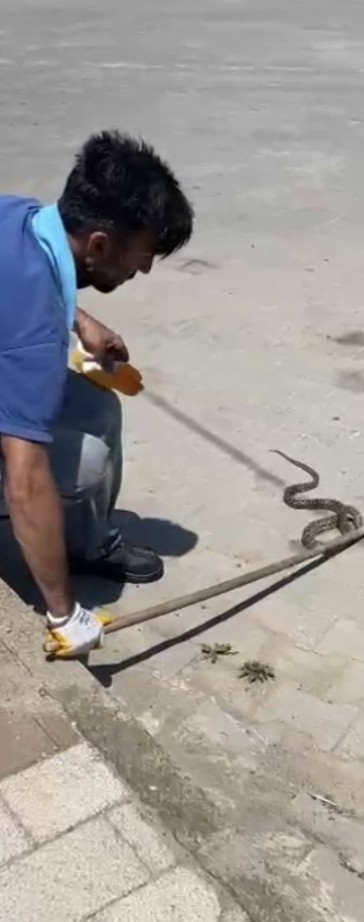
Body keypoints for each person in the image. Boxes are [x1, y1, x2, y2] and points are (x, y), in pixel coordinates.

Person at [0, 130, 193, 657]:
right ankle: (55, 578)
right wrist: (65, 616)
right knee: (80, 461)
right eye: (143, 254)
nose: (144, 269)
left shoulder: (17, 217)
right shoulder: (34, 334)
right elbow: (25, 480)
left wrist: (79, 318)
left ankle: (87, 541)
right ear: (101, 243)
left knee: (96, 407)